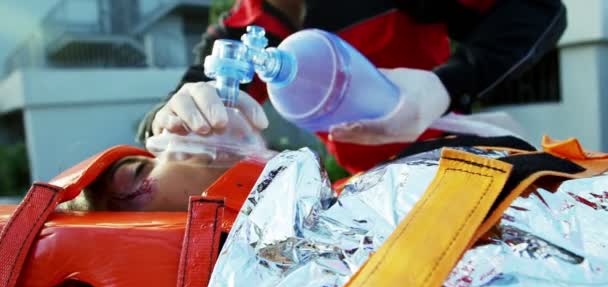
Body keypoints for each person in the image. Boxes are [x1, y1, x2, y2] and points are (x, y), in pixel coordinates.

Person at [137, 0, 567, 173]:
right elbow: (183, 101)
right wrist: (170, 116)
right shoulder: (245, 29)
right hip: (360, 188)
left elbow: (536, 9)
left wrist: (444, 83)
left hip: (451, 159)